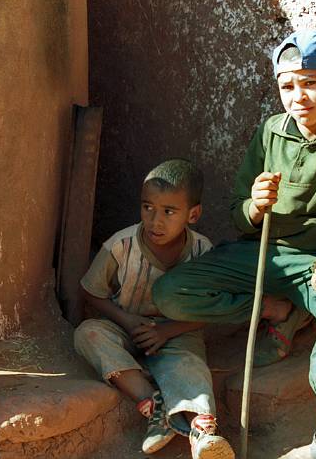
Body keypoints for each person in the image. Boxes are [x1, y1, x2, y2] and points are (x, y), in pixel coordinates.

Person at [153, 31, 316, 459]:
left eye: (310, 82)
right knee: (170, 292)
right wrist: (255, 207)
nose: (299, 96)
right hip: (260, 254)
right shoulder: (270, 132)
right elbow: (237, 213)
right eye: (288, 86)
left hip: (315, 263)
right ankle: (278, 311)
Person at [74, 159, 235, 458]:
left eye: (169, 212)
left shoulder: (202, 252)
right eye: (147, 207)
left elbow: (211, 309)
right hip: (125, 328)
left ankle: (202, 434)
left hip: (177, 333)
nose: (154, 220)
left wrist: (167, 331)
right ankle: (155, 406)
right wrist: (126, 319)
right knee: (89, 334)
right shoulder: (121, 246)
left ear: (194, 214)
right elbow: (89, 291)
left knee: (189, 367)